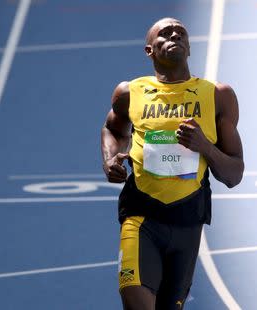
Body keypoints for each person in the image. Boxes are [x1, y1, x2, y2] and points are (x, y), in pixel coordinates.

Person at [101, 17, 243, 310]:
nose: (175, 35)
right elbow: (113, 129)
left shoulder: (217, 96)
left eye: (181, 33)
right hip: (141, 217)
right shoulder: (130, 92)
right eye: (165, 33)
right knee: (136, 301)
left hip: (188, 223)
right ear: (149, 50)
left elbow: (234, 174)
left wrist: (205, 147)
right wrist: (110, 158)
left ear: (189, 47)